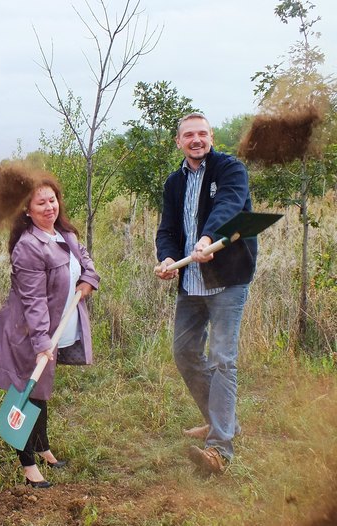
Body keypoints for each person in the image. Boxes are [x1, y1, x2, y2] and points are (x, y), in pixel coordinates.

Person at [155, 112, 256, 475]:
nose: (196, 140)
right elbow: (167, 229)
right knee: (184, 352)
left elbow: (229, 207)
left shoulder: (230, 170)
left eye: (202, 133)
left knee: (222, 358)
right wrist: (167, 258)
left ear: (211, 136)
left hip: (228, 280)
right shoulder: (173, 183)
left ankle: (219, 449)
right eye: (188, 135)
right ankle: (219, 419)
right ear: (178, 141)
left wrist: (208, 238)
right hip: (191, 284)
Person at [0, 171, 100, 488]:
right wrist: (40, 343)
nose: (49, 207)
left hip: (53, 328)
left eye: (53, 200)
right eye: (41, 203)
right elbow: (33, 301)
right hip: (28, 332)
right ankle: (27, 464)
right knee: (28, 392)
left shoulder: (64, 235)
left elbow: (85, 262)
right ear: (27, 209)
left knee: (41, 391)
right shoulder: (28, 247)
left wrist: (89, 279)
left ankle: (43, 447)